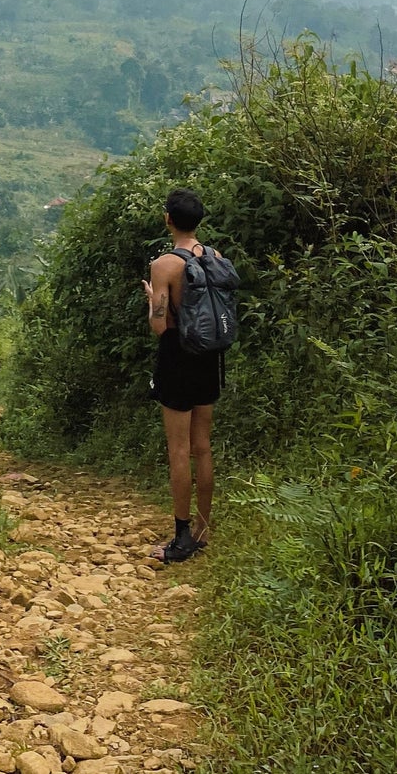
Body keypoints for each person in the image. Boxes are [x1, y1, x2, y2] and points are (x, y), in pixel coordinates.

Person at [143, 188, 221, 563]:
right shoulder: (215, 257)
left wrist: (151, 300)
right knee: (202, 446)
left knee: (179, 449)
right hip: (209, 356)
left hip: (177, 356)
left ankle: (181, 538)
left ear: (168, 219)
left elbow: (160, 326)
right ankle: (204, 531)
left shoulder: (164, 265)